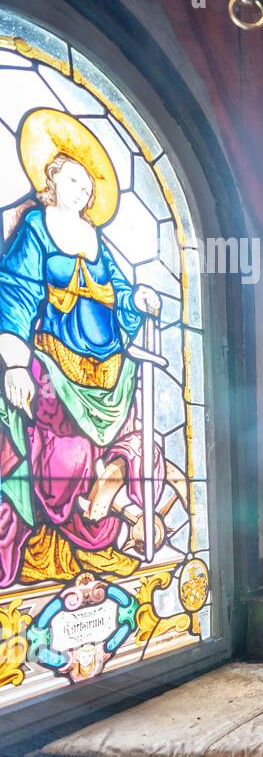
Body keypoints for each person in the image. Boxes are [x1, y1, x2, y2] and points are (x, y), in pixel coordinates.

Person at [0, 108, 164, 586]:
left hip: (111, 375)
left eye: (89, 182)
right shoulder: (36, 229)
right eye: (75, 178)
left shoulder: (94, 239)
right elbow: (15, 292)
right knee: (64, 461)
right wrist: (13, 361)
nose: (85, 188)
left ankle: (108, 525)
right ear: (51, 178)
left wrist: (140, 299)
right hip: (55, 368)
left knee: (131, 454)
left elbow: (118, 299)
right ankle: (76, 537)